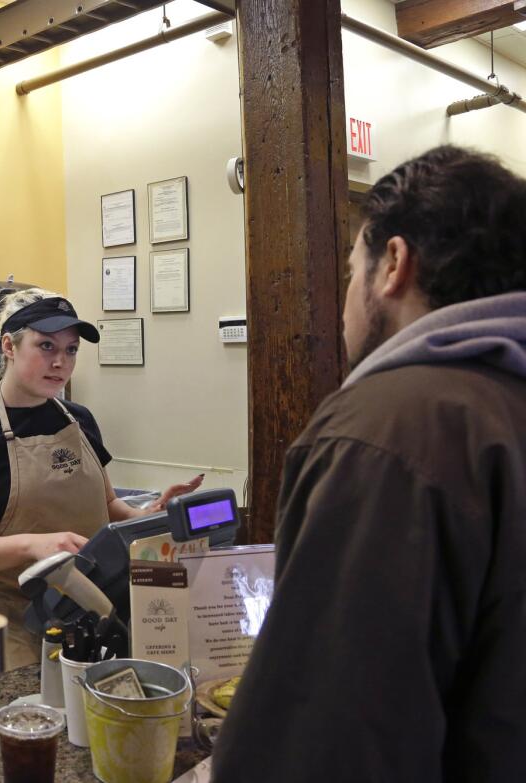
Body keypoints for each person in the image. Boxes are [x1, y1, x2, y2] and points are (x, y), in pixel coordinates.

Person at [213, 145, 526, 782]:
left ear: (393, 264)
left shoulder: (387, 432)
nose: (345, 304)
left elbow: (325, 741)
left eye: (351, 270)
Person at [0, 288, 202, 668]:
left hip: (94, 616)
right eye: (46, 346)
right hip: (10, 625)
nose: (60, 362)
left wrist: (152, 514)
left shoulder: (78, 420)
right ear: (9, 346)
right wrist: (34, 546)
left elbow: (109, 508)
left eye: (71, 350)